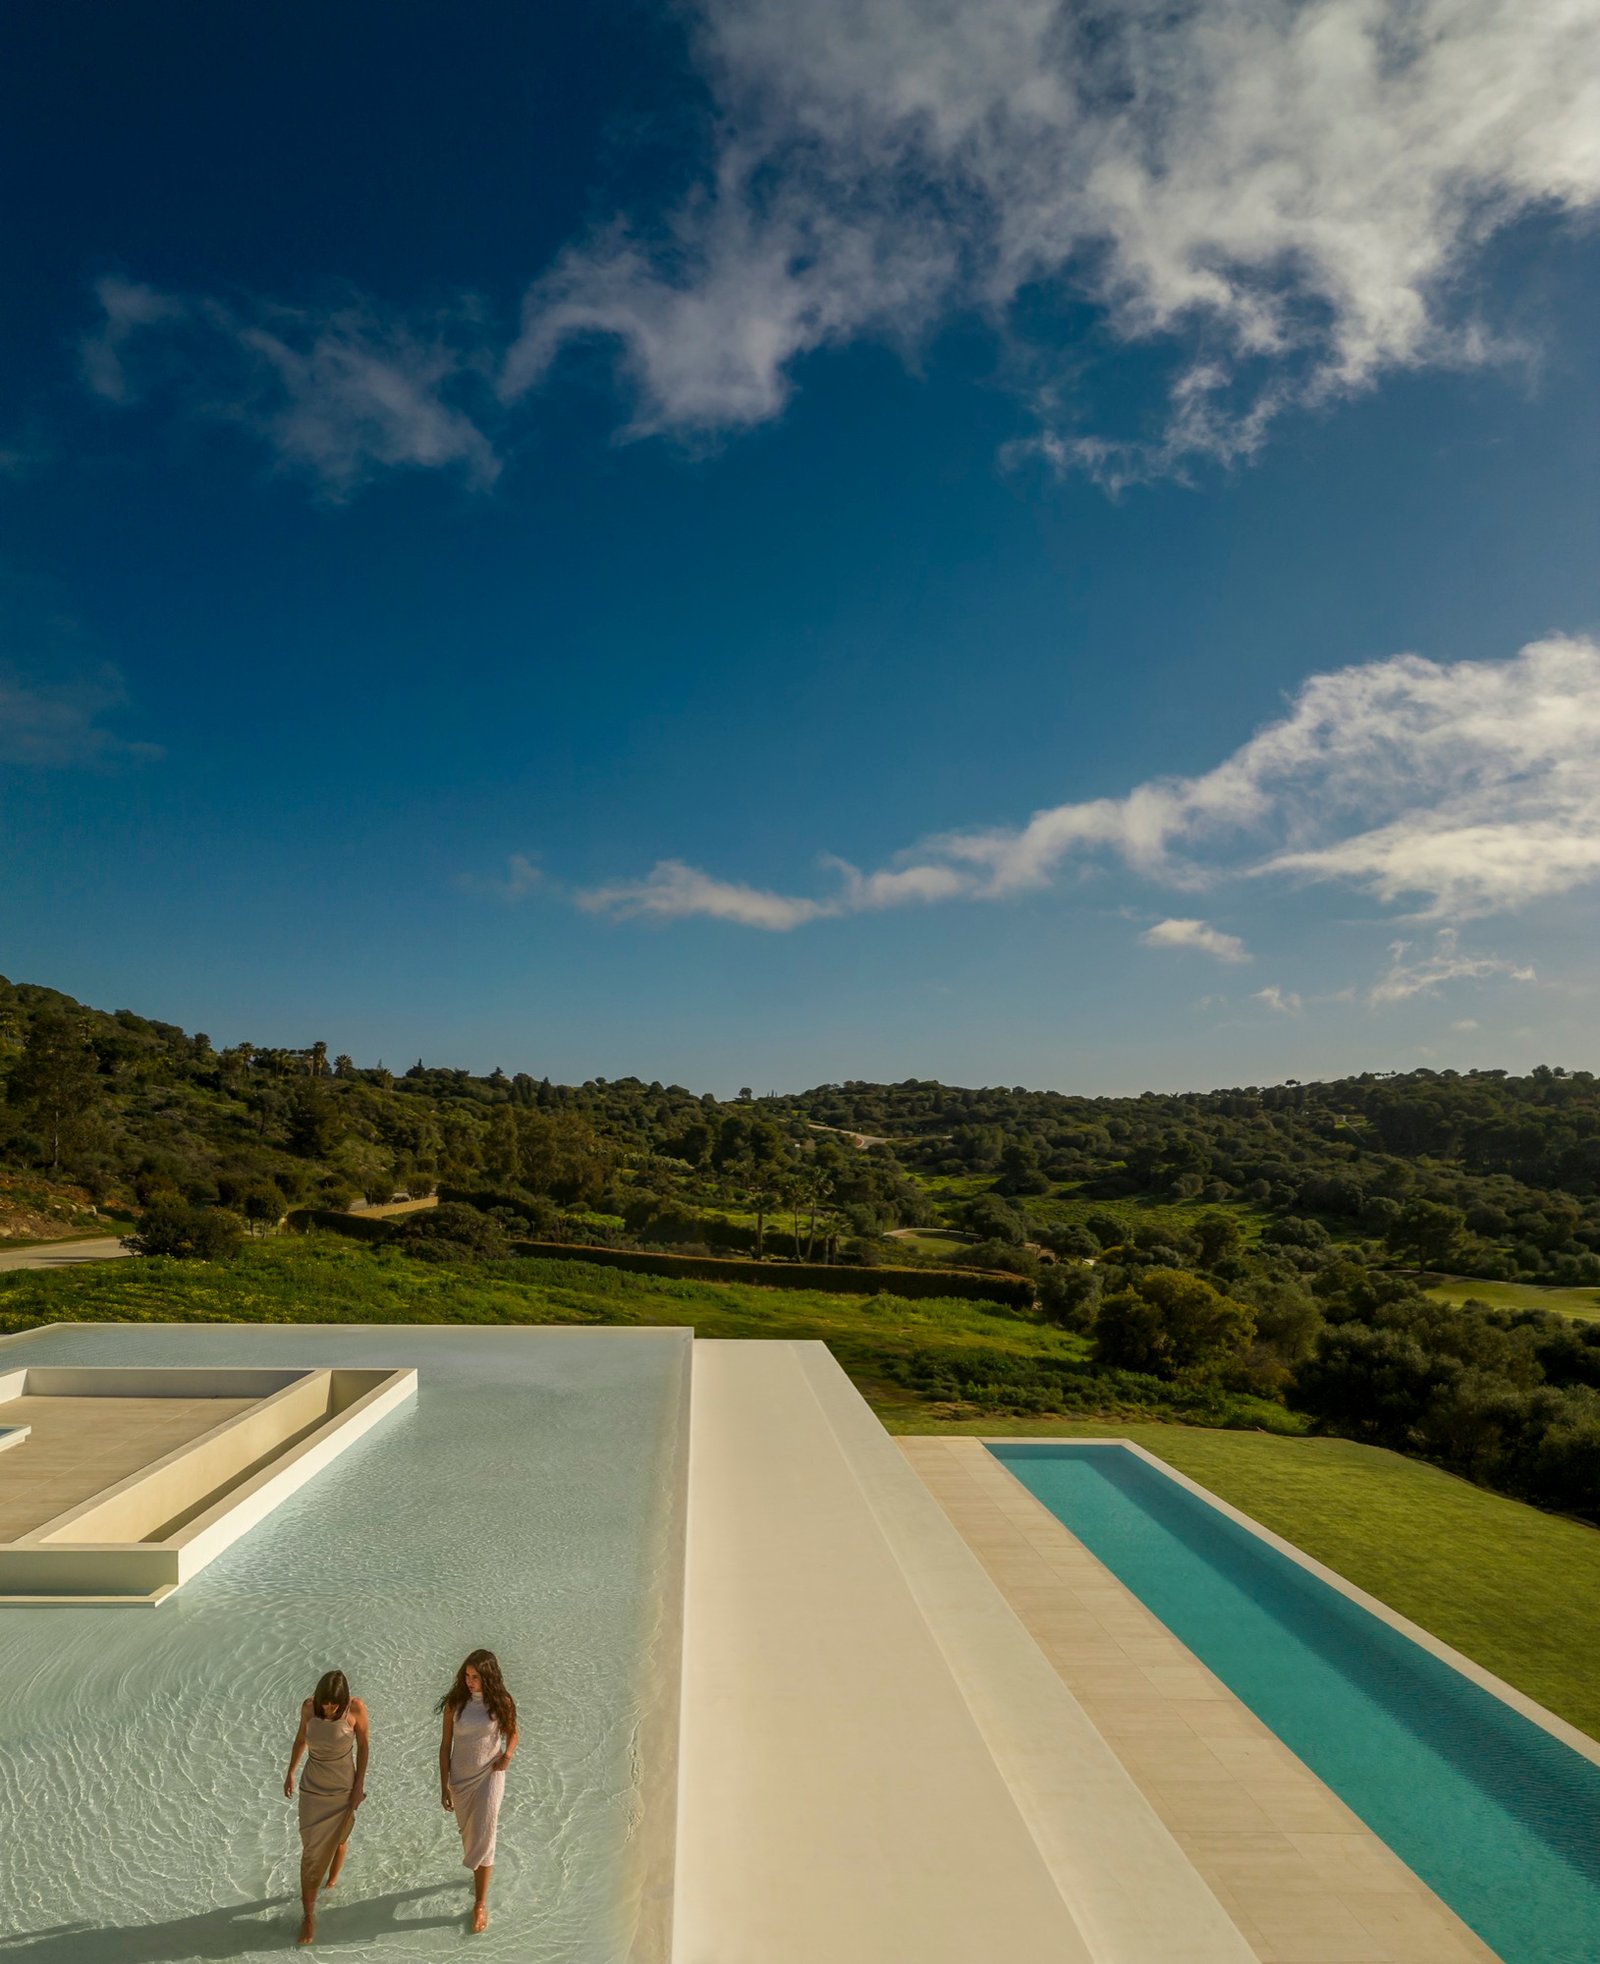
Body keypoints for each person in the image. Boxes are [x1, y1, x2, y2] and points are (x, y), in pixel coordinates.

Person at [283, 1669, 369, 1946]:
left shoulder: (356, 1708)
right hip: (313, 1788)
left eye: (335, 1704)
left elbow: (364, 1748)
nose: (329, 1709)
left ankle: (331, 1882)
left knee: (339, 1838)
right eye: (326, 1704)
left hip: (343, 1787)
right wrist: (290, 1772)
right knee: (311, 1849)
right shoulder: (309, 1708)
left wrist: (358, 1788)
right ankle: (309, 1915)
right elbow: (300, 1740)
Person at [438, 1649, 518, 1933]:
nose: (470, 1682)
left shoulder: (501, 1702)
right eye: (467, 1676)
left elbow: (513, 1732)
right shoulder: (455, 1705)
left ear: (489, 1677)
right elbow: (445, 1746)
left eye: (476, 1677)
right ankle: (479, 1878)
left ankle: (480, 1903)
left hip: (489, 1776)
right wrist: (444, 1784)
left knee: (485, 1834)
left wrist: (507, 1755)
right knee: (471, 1836)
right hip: (461, 1779)